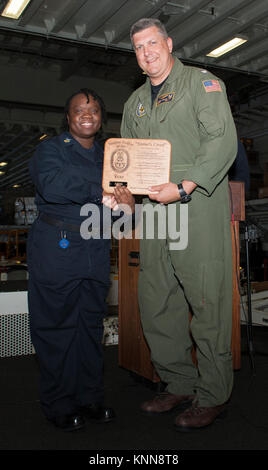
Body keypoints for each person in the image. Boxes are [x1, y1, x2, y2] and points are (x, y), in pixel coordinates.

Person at [119, 18, 238, 431]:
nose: (146, 52)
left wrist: (185, 187)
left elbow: (222, 142)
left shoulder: (201, 85)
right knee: (158, 302)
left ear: (168, 44)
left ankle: (213, 394)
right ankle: (179, 383)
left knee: (206, 304)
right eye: (138, 47)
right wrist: (117, 192)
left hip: (194, 207)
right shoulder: (135, 102)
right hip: (153, 216)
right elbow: (127, 163)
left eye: (152, 43)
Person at [27, 88, 133, 432]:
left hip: (95, 249)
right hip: (57, 247)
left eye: (94, 110)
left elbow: (118, 217)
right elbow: (54, 185)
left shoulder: (111, 155)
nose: (87, 115)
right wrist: (103, 187)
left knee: (89, 328)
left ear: (101, 118)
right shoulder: (51, 150)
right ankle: (58, 403)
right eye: (79, 110)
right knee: (57, 328)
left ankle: (89, 396)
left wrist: (127, 206)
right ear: (68, 117)